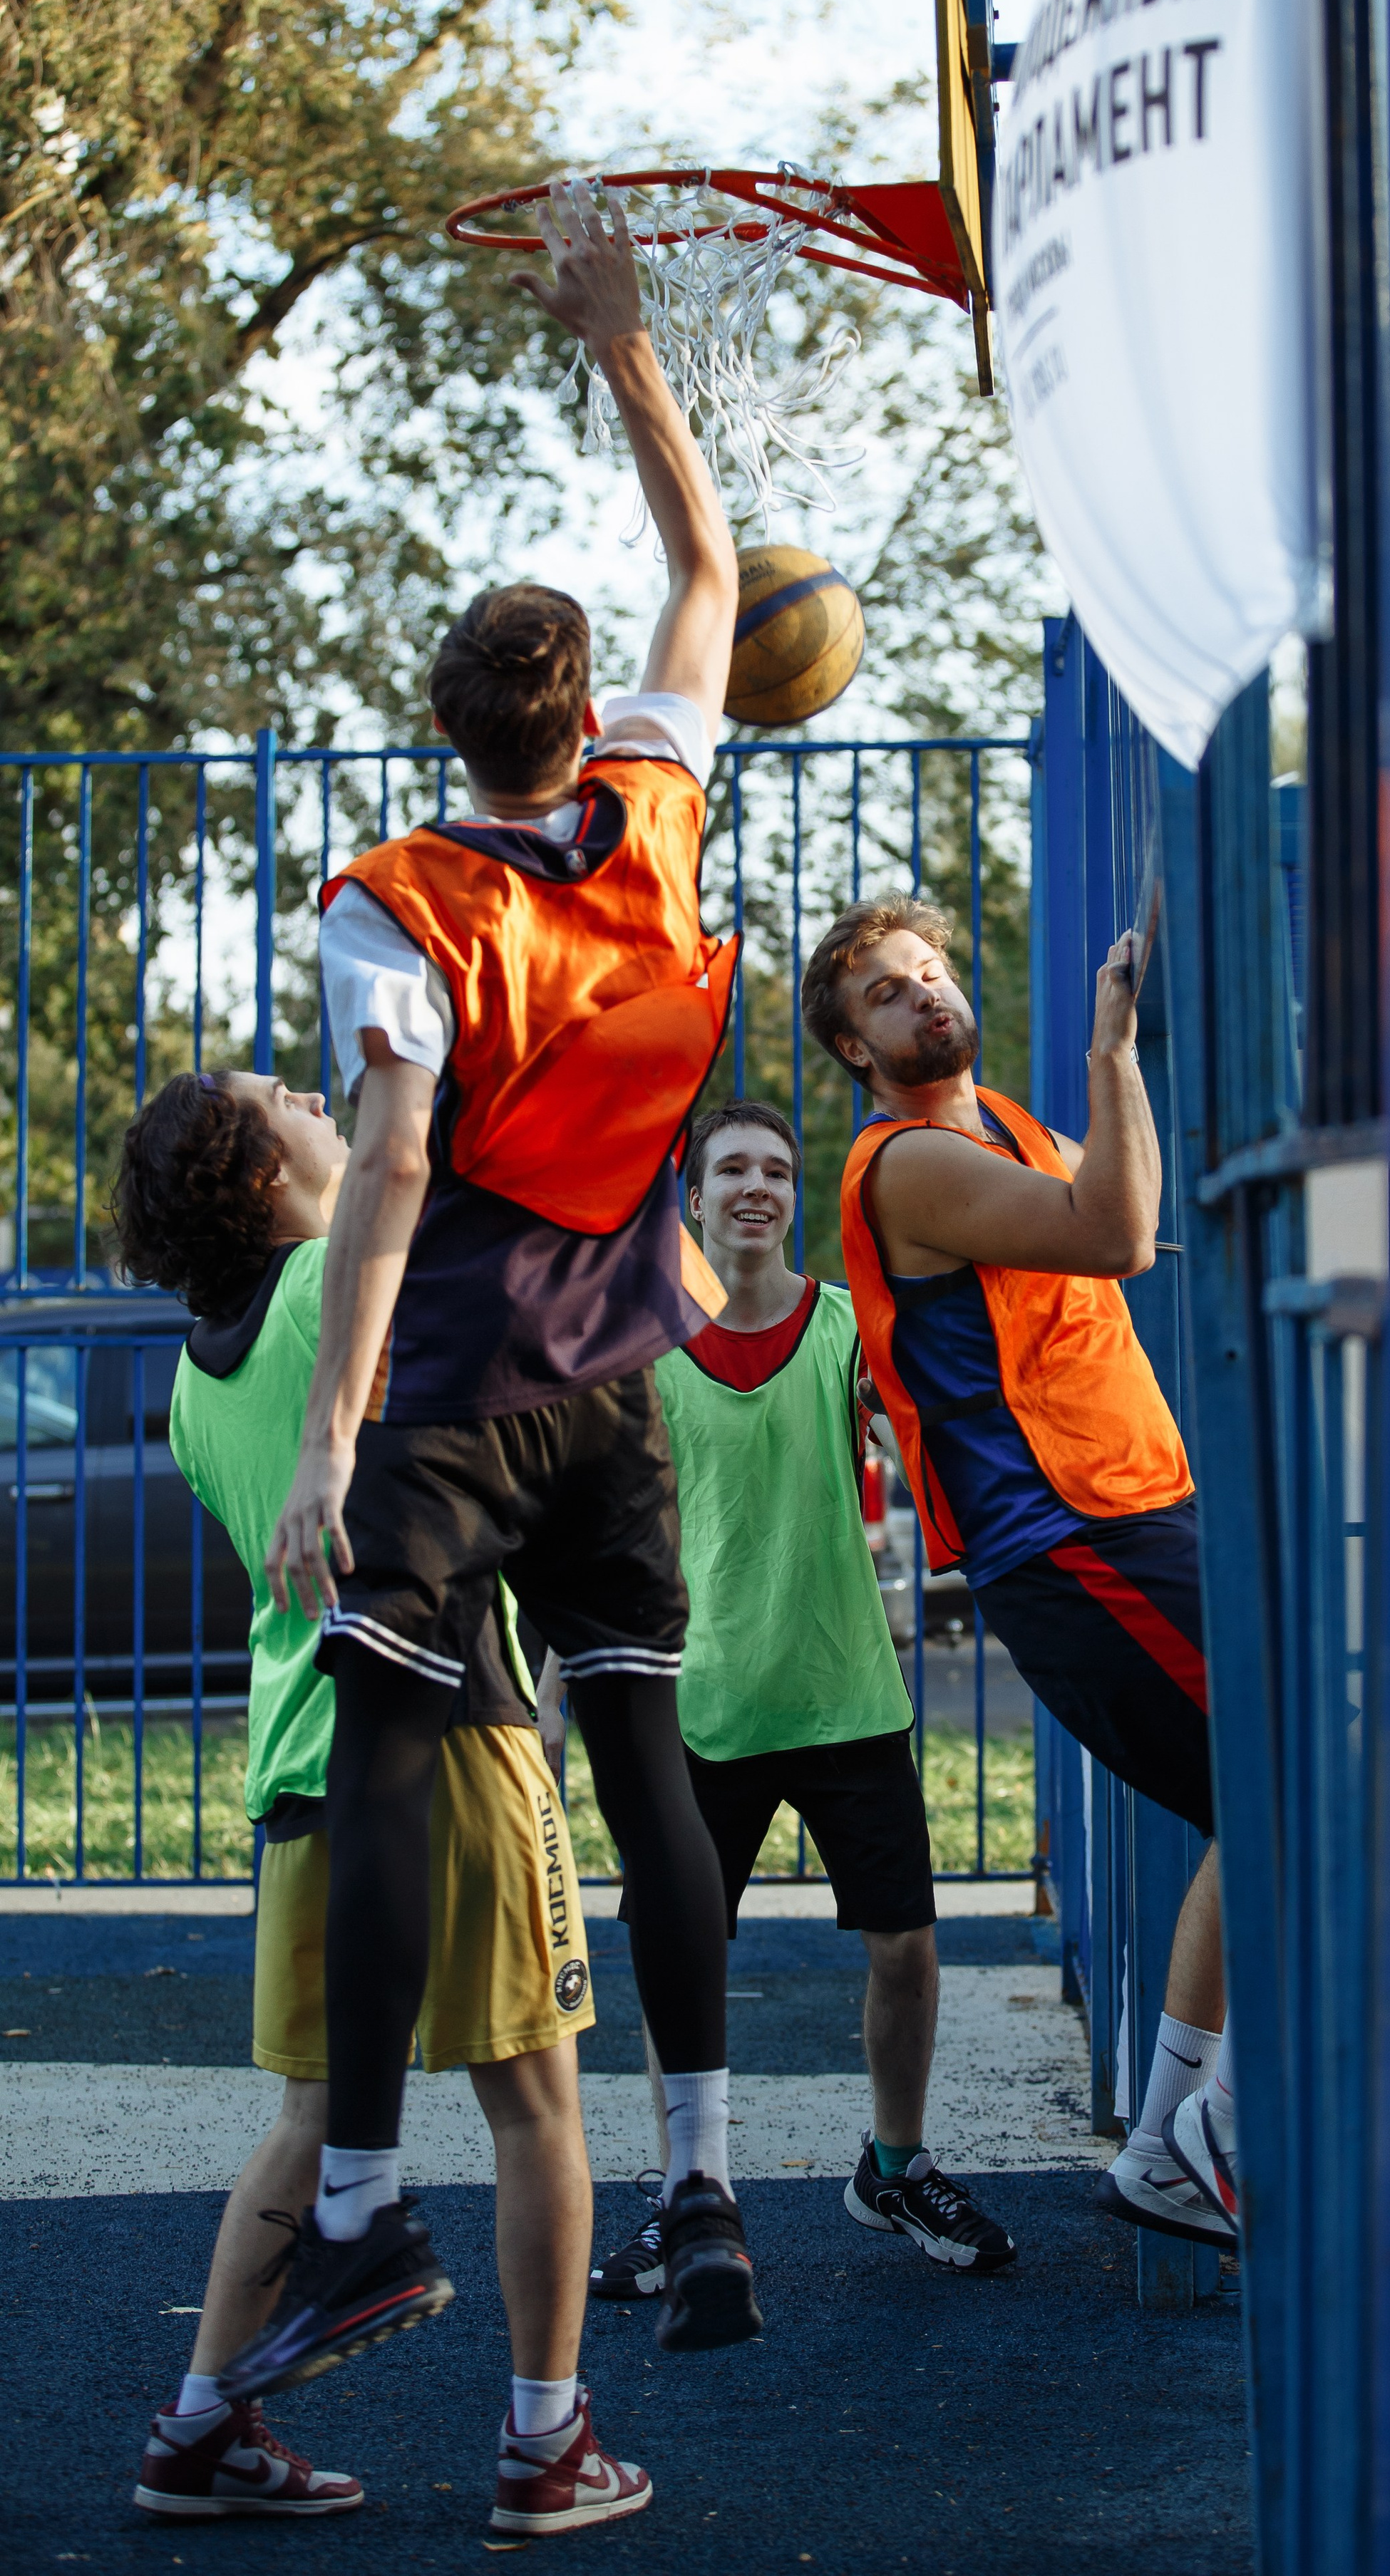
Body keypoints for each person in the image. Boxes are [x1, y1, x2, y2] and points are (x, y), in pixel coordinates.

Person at [228, 180, 756, 2408]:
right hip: (616, 1372)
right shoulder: (656, 808)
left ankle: (354, 2206)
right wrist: (621, 343)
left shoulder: (397, 900)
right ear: (584, 711)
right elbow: (715, 572)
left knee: (374, 1749)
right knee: (639, 1739)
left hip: (453, 1379)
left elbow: (398, 1173)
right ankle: (706, 2175)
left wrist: (335, 1441)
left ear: (443, 727)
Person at [112, 1069, 644, 2535]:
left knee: (311, 2115)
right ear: (258, 1170)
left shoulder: (192, 1379)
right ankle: (547, 2445)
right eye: (275, 1095)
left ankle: (203, 2425)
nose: (306, 1088)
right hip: (444, 1736)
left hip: (298, 1765)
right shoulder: (329, 1298)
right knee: (534, 2099)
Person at [800, 896, 1240, 2249]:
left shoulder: (1019, 1136)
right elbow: (1114, 1233)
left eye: (929, 972)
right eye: (886, 992)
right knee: (1300, 1799)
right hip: (1070, 1546)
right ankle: (1213, 2129)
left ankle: (1174, 2134)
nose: (923, 994)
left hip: (1133, 1511)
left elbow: (1112, 1221)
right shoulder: (907, 1159)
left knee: (1267, 1808)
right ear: (856, 1049)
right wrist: (1118, 1045)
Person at [594, 1100, 1014, 2299]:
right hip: (706, 1706)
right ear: (695, 1196)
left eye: (777, 1170)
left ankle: (894, 2163)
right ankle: (691, 2191)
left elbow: (933, 1430)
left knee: (907, 1952)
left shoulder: (845, 1331)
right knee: (679, 1958)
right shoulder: (648, 1352)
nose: (757, 1188)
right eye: (732, 1168)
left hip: (844, 1692)